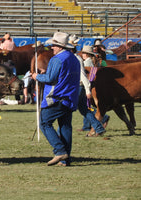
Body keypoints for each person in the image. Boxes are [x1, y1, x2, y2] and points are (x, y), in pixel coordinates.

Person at [31, 32, 80, 167]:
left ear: (59, 46)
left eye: (53, 45)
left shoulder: (57, 59)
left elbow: (51, 79)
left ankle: (60, 151)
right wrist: (45, 74)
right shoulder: (74, 58)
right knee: (65, 127)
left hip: (56, 97)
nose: (51, 47)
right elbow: (61, 76)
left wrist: (36, 76)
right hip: (69, 98)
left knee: (44, 123)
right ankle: (65, 160)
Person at [71, 41, 106, 136]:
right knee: (85, 109)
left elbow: (84, 75)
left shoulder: (80, 60)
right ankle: (98, 127)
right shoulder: (84, 60)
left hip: (80, 86)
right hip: (82, 85)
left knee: (68, 108)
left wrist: (87, 88)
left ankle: (103, 118)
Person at [80, 45, 110, 136]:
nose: (82, 54)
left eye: (84, 53)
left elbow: (89, 76)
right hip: (90, 86)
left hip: (86, 86)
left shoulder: (87, 63)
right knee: (86, 106)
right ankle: (87, 126)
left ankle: (103, 117)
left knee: (86, 107)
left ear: (87, 54)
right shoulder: (91, 62)